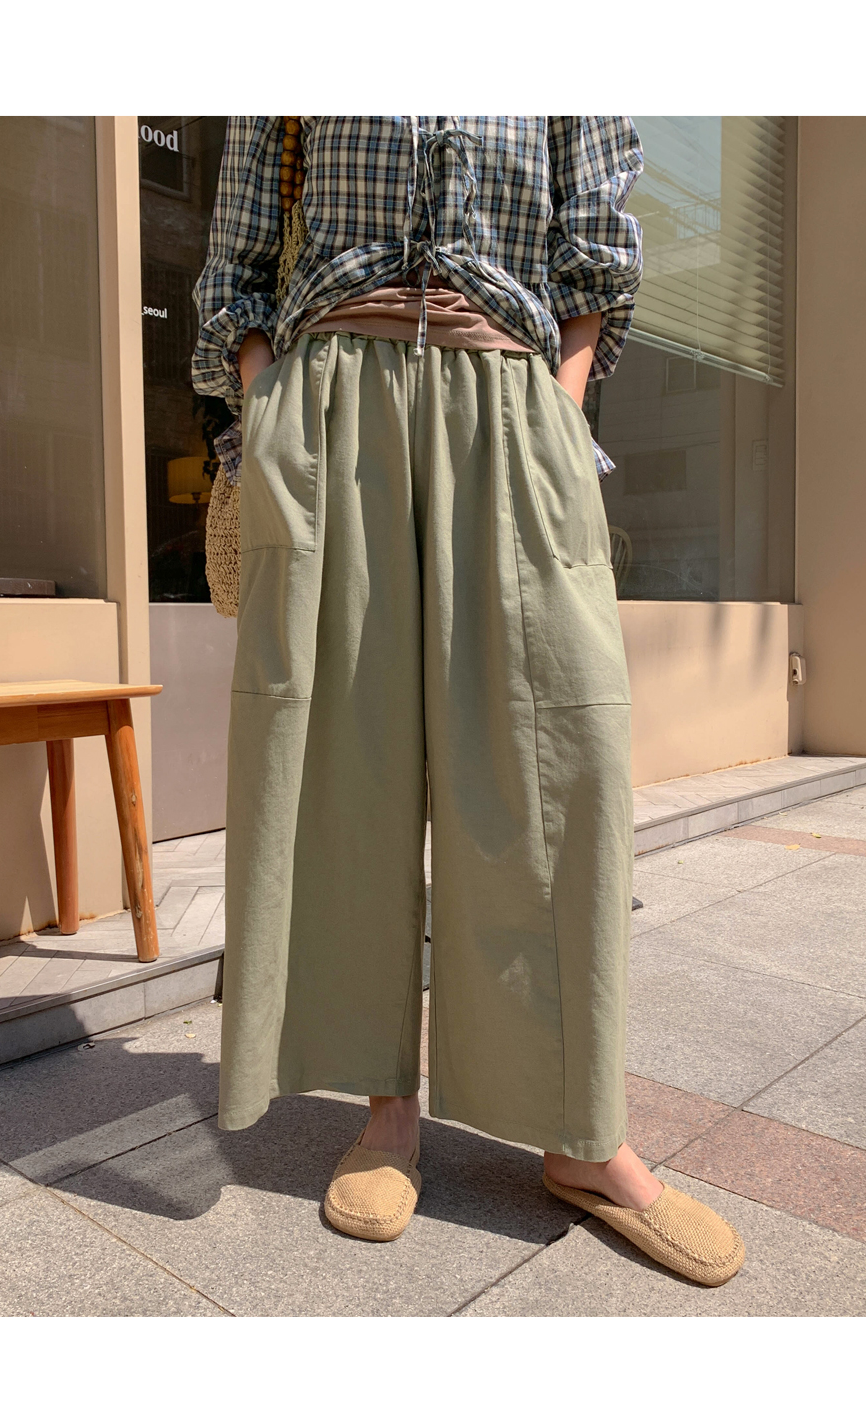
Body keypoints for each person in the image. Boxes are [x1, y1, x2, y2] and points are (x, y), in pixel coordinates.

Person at [192, 116, 744, 1286]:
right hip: (332, 407)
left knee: (559, 766)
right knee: (348, 769)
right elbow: (236, 262)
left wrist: (560, 410)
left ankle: (580, 1130)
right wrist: (268, 410)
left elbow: (594, 249)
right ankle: (386, 1106)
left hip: (509, 399)